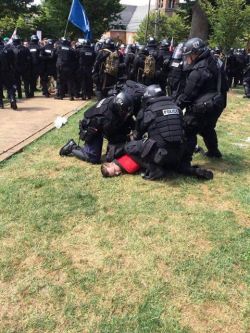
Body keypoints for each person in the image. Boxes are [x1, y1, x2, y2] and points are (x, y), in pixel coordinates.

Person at [101, 85, 213, 180]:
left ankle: (154, 169)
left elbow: (137, 136)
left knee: (130, 147)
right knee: (174, 158)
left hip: (160, 154)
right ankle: (187, 168)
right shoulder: (177, 108)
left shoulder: (147, 111)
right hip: (179, 152)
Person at [176, 37, 227, 160]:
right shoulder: (214, 60)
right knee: (207, 127)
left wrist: (176, 105)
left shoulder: (199, 70)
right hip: (219, 101)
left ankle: (184, 159)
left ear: (196, 53)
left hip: (206, 105)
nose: (188, 59)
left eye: (189, 55)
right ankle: (214, 151)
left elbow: (188, 94)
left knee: (189, 128)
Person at [59, 92, 135, 164]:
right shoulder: (107, 118)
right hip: (91, 128)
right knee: (93, 158)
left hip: (98, 122)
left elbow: (128, 118)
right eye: (124, 112)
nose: (126, 114)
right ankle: (72, 147)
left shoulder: (115, 101)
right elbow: (112, 137)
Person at [0, 36, 17, 110]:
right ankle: (12, 99)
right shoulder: (9, 50)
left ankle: (0, 104)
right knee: (10, 87)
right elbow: (14, 62)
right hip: (8, 71)